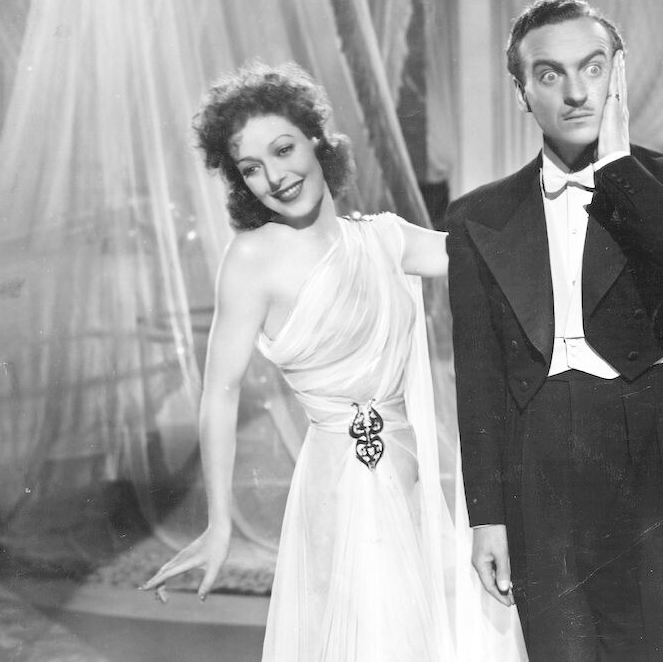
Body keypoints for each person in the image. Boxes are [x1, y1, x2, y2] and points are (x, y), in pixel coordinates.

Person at [143, 62, 525, 661]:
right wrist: (219, 525)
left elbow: (495, 256)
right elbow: (219, 391)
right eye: (251, 168)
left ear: (318, 139)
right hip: (334, 493)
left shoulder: (385, 239)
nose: (275, 176)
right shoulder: (252, 258)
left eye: (283, 149)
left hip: (407, 485)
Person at [446, 0, 663, 660]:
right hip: (540, 450)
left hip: (654, 440)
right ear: (522, 92)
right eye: (549, 74)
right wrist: (486, 516)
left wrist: (617, 169)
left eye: (594, 66)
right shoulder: (477, 216)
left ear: (618, 75)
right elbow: (479, 378)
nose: (577, 92)